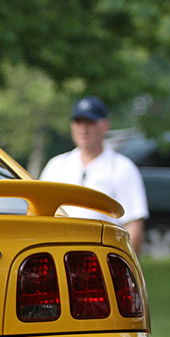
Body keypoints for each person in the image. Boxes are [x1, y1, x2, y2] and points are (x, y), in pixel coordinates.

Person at [40, 96, 149, 255]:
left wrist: (128, 268)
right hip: (58, 255)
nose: (83, 128)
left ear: (105, 125)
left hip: (101, 258)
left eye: (90, 122)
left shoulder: (122, 167)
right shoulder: (56, 165)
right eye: (78, 122)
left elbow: (134, 223)